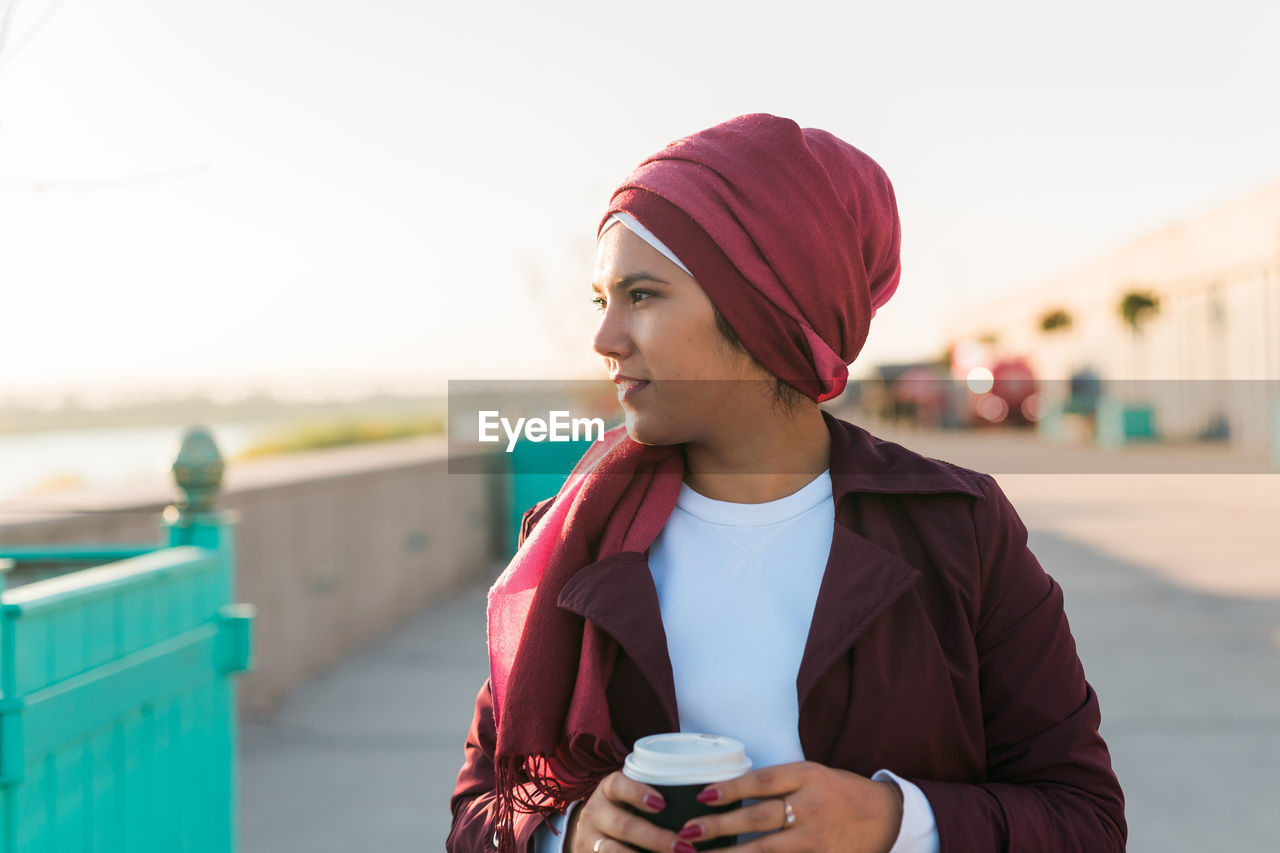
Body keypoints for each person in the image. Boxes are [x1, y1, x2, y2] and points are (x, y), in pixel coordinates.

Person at [448, 113, 1126, 853]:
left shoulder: (960, 529)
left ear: (762, 307)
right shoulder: (573, 532)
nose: (605, 338)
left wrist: (893, 823)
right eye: (602, 300)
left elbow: (1084, 819)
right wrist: (569, 832)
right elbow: (481, 809)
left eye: (641, 295)